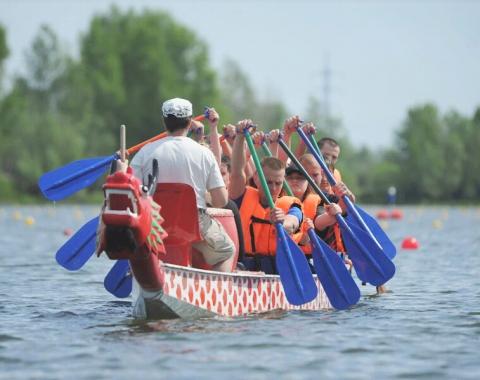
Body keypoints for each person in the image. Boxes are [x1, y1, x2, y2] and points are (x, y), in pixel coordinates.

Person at [128, 97, 236, 272]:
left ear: (164, 122)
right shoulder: (204, 153)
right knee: (227, 250)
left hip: (155, 222)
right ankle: (210, 294)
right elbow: (220, 201)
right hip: (193, 222)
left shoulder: (145, 151)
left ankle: (144, 276)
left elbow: (131, 194)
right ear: (190, 121)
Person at [229, 120, 303, 274]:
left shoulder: (291, 205)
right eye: (268, 182)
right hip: (244, 269)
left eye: (278, 183)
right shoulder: (242, 196)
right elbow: (236, 171)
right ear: (256, 178)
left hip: (279, 271)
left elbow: (293, 223)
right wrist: (240, 136)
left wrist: (283, 222)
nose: (274, 188)